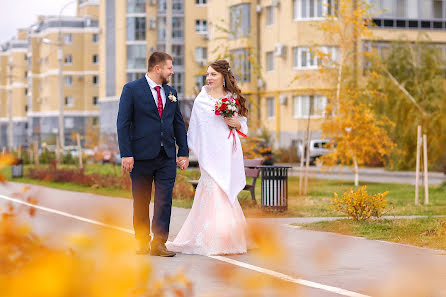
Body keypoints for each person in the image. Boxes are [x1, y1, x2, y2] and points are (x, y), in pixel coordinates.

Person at [166, 60, 249, 255]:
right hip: (210, 154)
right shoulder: (202, 100)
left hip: (229, 152)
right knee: (215, 191)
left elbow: (243, 123)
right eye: (207, 74)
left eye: (213, 74)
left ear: (223, 76)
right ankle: (216, 239)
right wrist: (192, 151)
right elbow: (196, 128)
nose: (208, 78)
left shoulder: (232, 98)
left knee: (226, 191)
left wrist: (236, 123)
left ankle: (230, 237)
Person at [117, 52, 189, 257]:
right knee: (141, 200)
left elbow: (178, 124)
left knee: (164, 200)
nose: (172, 71)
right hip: (139, 156)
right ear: (157, 69)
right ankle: (141, 241)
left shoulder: (171, 92)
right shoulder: (131, 90)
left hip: (166, 155)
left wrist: (183, 152)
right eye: (169, 68)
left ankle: (159, 243)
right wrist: (126, 154)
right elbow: (123, 123)